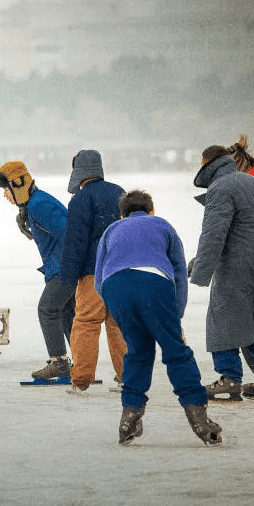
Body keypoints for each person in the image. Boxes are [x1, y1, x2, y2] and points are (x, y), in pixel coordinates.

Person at [94, 190, 221, 445]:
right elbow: (177, 272)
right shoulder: (162, 225)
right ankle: (199, 420)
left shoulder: (112, 230)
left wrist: (116, 304)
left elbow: (99, 278)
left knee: (138, 351)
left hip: (115, 287)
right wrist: (176, 313)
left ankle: (129, 417)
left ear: (123, 214)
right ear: (151, 210)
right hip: (154, 283)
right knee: (175, 352)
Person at [190, 145, 254, 401]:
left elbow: (214, 233)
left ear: (207, 163)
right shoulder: (253, 183)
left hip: (238, 263)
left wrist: (201, 273)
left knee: (223, 316)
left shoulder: (221, 187)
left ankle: (230, 378)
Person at [0, 161, 75, 381]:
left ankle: (59, 364)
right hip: (62, 267)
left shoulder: (39, 205)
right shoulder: (34, 204)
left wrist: (68, 268)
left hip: (64, 269)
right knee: (67, 314)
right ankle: (83, 363)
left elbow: (69, 235)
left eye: (6, 189)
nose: (4, 195)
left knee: (47, 309)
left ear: (17, 185)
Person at [59, 149, 127, 394]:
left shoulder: (81, 199)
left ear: (78, 171)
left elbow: (75, 241)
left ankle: (81, 380)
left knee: (86, 322)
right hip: (121, 270)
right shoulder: (120, 192)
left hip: (93, 272)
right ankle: (126, 378)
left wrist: (67, 276)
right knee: (118, 323)